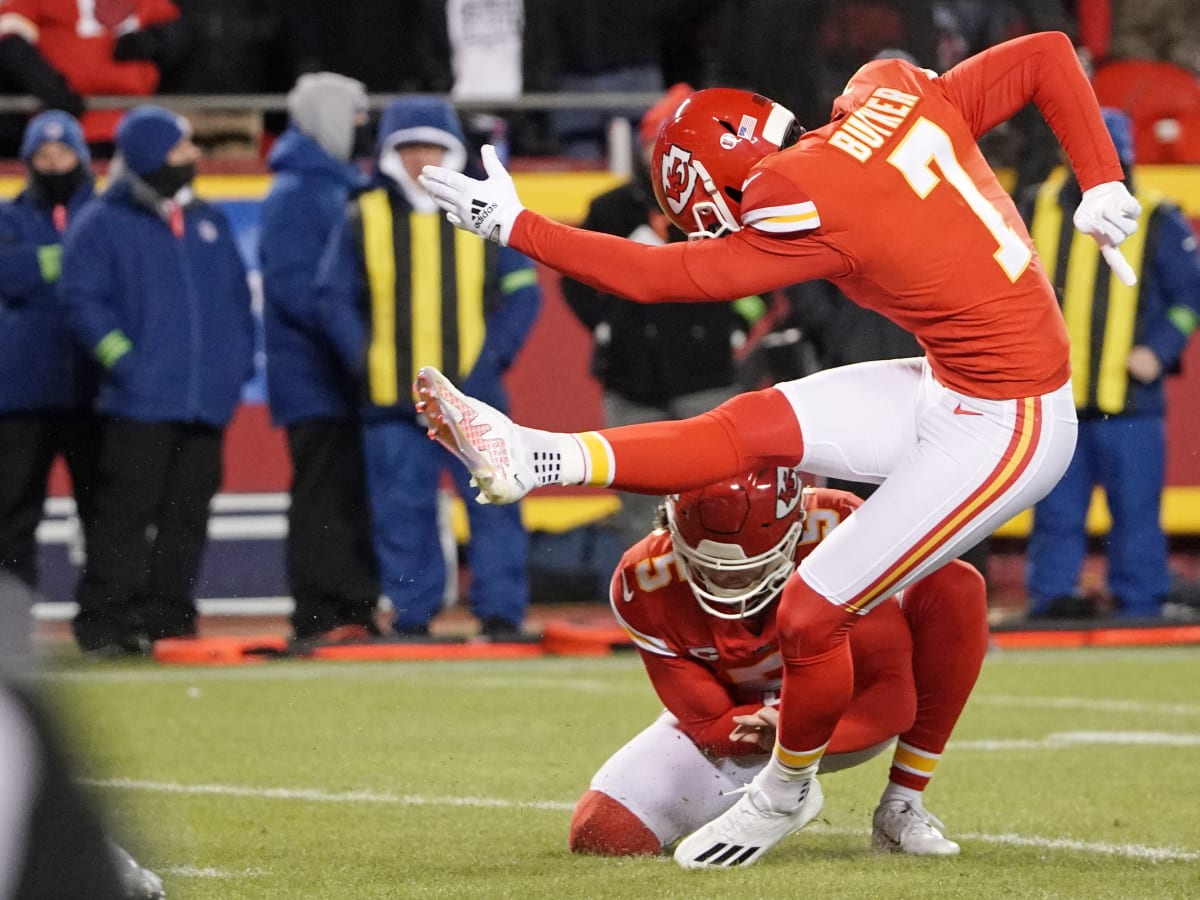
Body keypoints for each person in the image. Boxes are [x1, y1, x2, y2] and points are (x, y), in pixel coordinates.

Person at [415, 31, 1139, 867]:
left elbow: (658, 278)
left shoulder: (803, 201)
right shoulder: (889, 93)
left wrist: (515, 225)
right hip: (957, 381)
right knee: (749, 427)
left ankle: (783, 794)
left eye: (712, 216)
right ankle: (536, 454)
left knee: (810, 612)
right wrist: (1102, 180)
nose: (720, 233)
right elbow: (1050, 53)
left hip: (1011, 423)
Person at [569, 466, 989, 858]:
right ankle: (781, 796)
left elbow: (888, 700)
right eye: (709, 566)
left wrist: (796, 740)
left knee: (952, 585)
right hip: (745, 725)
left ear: (796, 529)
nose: (731, 580)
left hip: (842, 710)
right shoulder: (642, 579)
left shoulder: (837, 524)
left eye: (752, 566)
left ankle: (903, 803)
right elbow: (708, 724)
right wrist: (771, 732)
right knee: (601, 833)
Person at [315, 96, 541, 640]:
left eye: (432, 145)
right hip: (392, 399)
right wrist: (368, 361)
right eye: (408, 146)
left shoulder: (481, 211)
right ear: (390, 152)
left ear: (452, 151)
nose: (420, 157)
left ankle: (501, 615)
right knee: (401, 510)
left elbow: (523, 291)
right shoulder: (361, 211)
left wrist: (491, 360)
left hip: (477, 395)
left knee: (496, 502)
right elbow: (331, 297)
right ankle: (413, 615)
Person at [61, 105, 255, 655]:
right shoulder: (101, 223)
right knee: (123, 519)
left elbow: (239, 307)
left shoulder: (207, 221)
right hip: (137, 403)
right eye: (180, 148)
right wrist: (125, 362)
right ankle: (106, 623)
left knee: (186, 519)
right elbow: (81, 303)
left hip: (204, 404)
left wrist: (231, 369)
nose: (193, 157)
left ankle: (169, 620)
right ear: (149, 156)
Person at [1022, 108, 1200, 620]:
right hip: (1057, 398)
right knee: (1054, 512)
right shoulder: (1034, 209)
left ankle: (1140, 603)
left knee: (1138, 514)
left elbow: (1190, 300)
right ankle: (1051, 599)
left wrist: (1161, 348)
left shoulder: (1158, 215)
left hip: (1132, 401)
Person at [561, 82, 754, 551]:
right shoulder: (611, 209)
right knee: (636, 502)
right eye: (658, 145)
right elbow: (573, 276)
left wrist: (738, 326)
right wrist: (605, 324)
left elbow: (764, 277)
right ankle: (646, 602)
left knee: (721, 495)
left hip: (705, 372)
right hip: (632, 375)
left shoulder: (730, 203)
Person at [260, 72, 382, 643]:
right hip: (317, 378)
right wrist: (360, 344)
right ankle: (319, 611)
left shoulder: (331, 187)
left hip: (345, 374)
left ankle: (351, 606)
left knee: (347, 491)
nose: (363, 127)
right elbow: (297, 292)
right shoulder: (300, 194)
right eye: (355, 115)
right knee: (322, 493)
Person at [0, 110, 99, 636]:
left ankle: (103, 624)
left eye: (63, 154)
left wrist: (42, 264)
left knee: (103, 516)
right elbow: (9, 276)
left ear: (81, 157)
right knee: (13, 517)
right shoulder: (8, 215)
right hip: (22, 395)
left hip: (93, 392)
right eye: (43, 155)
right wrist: (67, 262)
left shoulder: (105, 214)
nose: (54, 164)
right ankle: (10, 631)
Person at [0, 0, 186, 149]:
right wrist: (46, 84)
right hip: (62, 131)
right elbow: (8, 34)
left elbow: (173, 29)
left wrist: (155, 40)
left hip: (137, 123)